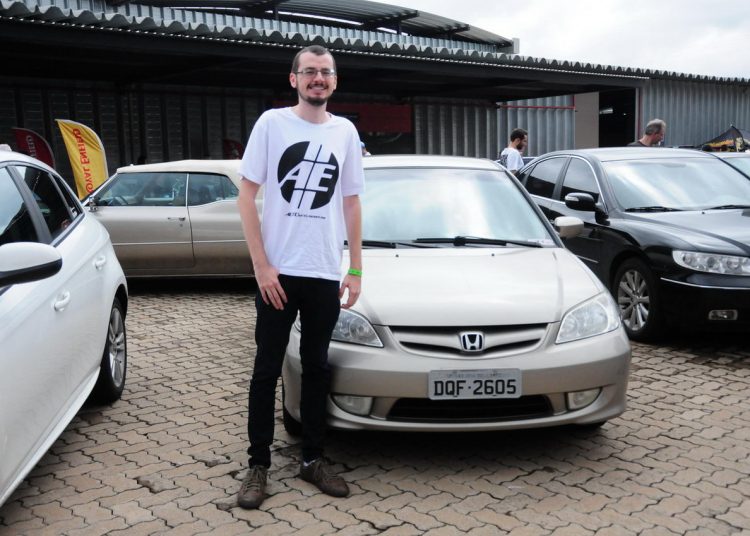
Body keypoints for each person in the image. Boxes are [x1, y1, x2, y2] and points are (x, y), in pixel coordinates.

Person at [235, 45, 364, 510]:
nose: (317, 79)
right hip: (278, 274)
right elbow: (246, 196)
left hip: (323, 272)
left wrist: (354, 268)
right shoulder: (272, 124)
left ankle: (312, 458)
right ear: (294, 79)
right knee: (266, 370)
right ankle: (258, 465)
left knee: (316, 369)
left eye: (325, 72)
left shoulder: (345, 132)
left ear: (335, 81)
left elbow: (351, 201)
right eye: (309, 71)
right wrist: (261, 266)